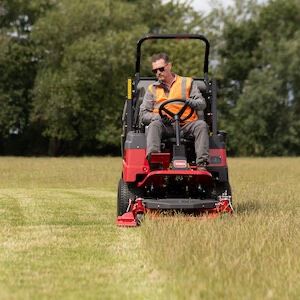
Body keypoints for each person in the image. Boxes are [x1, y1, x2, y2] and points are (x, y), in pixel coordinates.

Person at [139, 52, 209, 170]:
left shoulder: (187, 82)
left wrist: (189, 101)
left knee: (201, 125)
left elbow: (202, 104)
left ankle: (202, 164)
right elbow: (143, 115)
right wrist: (158, 117)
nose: (158, 73)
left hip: (187, 125)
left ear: (169, 66)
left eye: (161, 69)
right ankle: (155, 163)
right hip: (166, 126)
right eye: (155, 71)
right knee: (154, 125)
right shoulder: (152, 89)